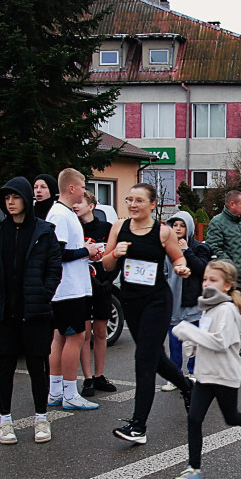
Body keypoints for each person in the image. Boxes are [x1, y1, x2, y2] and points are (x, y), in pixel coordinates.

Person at [170, 260, 241, 479]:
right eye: (205, 279)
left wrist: (187, 330)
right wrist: (191, 344)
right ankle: (194, 470)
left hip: (224, 374)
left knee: (232, 417)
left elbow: (219, 342)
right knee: (194, 418)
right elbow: (206, 337)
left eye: (213, 280)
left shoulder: (227, 309)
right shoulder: (209, 307)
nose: (207, 283)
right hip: (205, 374)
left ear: (227, 286)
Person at [102, 183, 193, 444]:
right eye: (129, 199)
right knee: (155, 357)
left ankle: (138, 426)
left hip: (157, 301)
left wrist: (181, 268)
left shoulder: (163, 232)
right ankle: (189, 388)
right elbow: (106, 264)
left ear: (152, 204)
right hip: (132, 302)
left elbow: (178, 258)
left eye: (139, 200)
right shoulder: (119, 227)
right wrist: (114, 254)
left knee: (143, 360)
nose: (132, 204)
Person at [0, 177, 62, 444]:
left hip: (36, 311)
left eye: (15, 197)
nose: (10, 202)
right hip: (6, 312)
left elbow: (54, 269)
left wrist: (43, 293)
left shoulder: (43, 231)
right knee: (5, 367)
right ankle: (5, 421)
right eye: (6, 198)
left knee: (37, 365)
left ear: (26, 199)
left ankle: (42, 417)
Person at [46, 168, 101, 411]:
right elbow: (55, 253)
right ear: (70, 189)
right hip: (68, 289)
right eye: (81, 187)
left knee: (61, 337)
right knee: (75, 337)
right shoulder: (60, 215)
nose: (83, 191)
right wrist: (85, 252)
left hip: (72, 287)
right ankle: (69, 392)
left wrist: (87, 253)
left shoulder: (64, 213)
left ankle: (55, 390)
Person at [73, 190, 117, 398]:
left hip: (102, 285)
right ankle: (88, 378)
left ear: (91, 206)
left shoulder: (105, 228)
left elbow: (115, 255)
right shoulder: (73, 228)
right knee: (84, 332)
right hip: (81, 287)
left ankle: (100, 375)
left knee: (101, 331)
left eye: (80, 201)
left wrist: (108, 280)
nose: (76, 205)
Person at [204, 190, 241, 360]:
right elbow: (214, 248)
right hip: (230, 280)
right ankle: (224, 350)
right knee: (227, 316)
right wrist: (231, 268)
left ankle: (234, 347)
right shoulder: (218, 222)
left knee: (237, 316)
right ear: (231, 204)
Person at [162, 210, 211, 391]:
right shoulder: (165, 248)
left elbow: (203, 269)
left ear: (189, 227)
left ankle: (195, 372)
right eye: (175, 225)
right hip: (172, 302)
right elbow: (163, 272)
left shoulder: (199, 247)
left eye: (182, 225)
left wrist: (186, 251)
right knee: (174, 341)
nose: (178, 229)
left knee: (195, 339)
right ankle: (175, 376)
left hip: (192, 301)